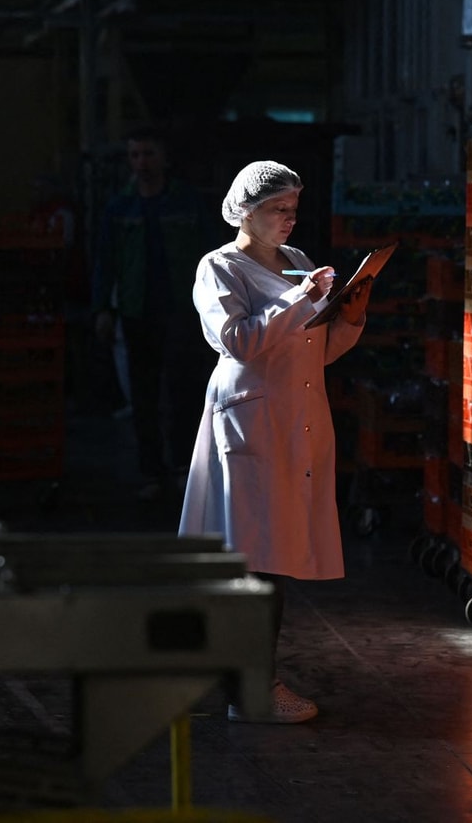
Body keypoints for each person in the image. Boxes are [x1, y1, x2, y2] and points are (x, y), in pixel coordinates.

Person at [178, 160, 373, 724]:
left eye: (293, 209)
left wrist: (349, 321)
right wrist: (299, 300)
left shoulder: (298, 263)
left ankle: (245, 677)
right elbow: (238, 341)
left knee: (274, 554)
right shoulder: (220, 266)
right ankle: (250, 688)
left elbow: (311, 351)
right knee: (254, 557)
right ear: (245, 210)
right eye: (276, 209)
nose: (289, 220)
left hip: (296, 416)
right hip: (250, 421)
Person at [92, 130, 217, 498]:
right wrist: (102, 309)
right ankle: (151, 470)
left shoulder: (186, 203)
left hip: (181, 311)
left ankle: (182, 466)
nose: (141, 163)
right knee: (144, 396)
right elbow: (106, 261)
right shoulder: (120, 208)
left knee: (185, 392)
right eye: (134, 155)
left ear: (163, 158)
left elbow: (210, 254)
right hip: (137, 310)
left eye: (147, 154)